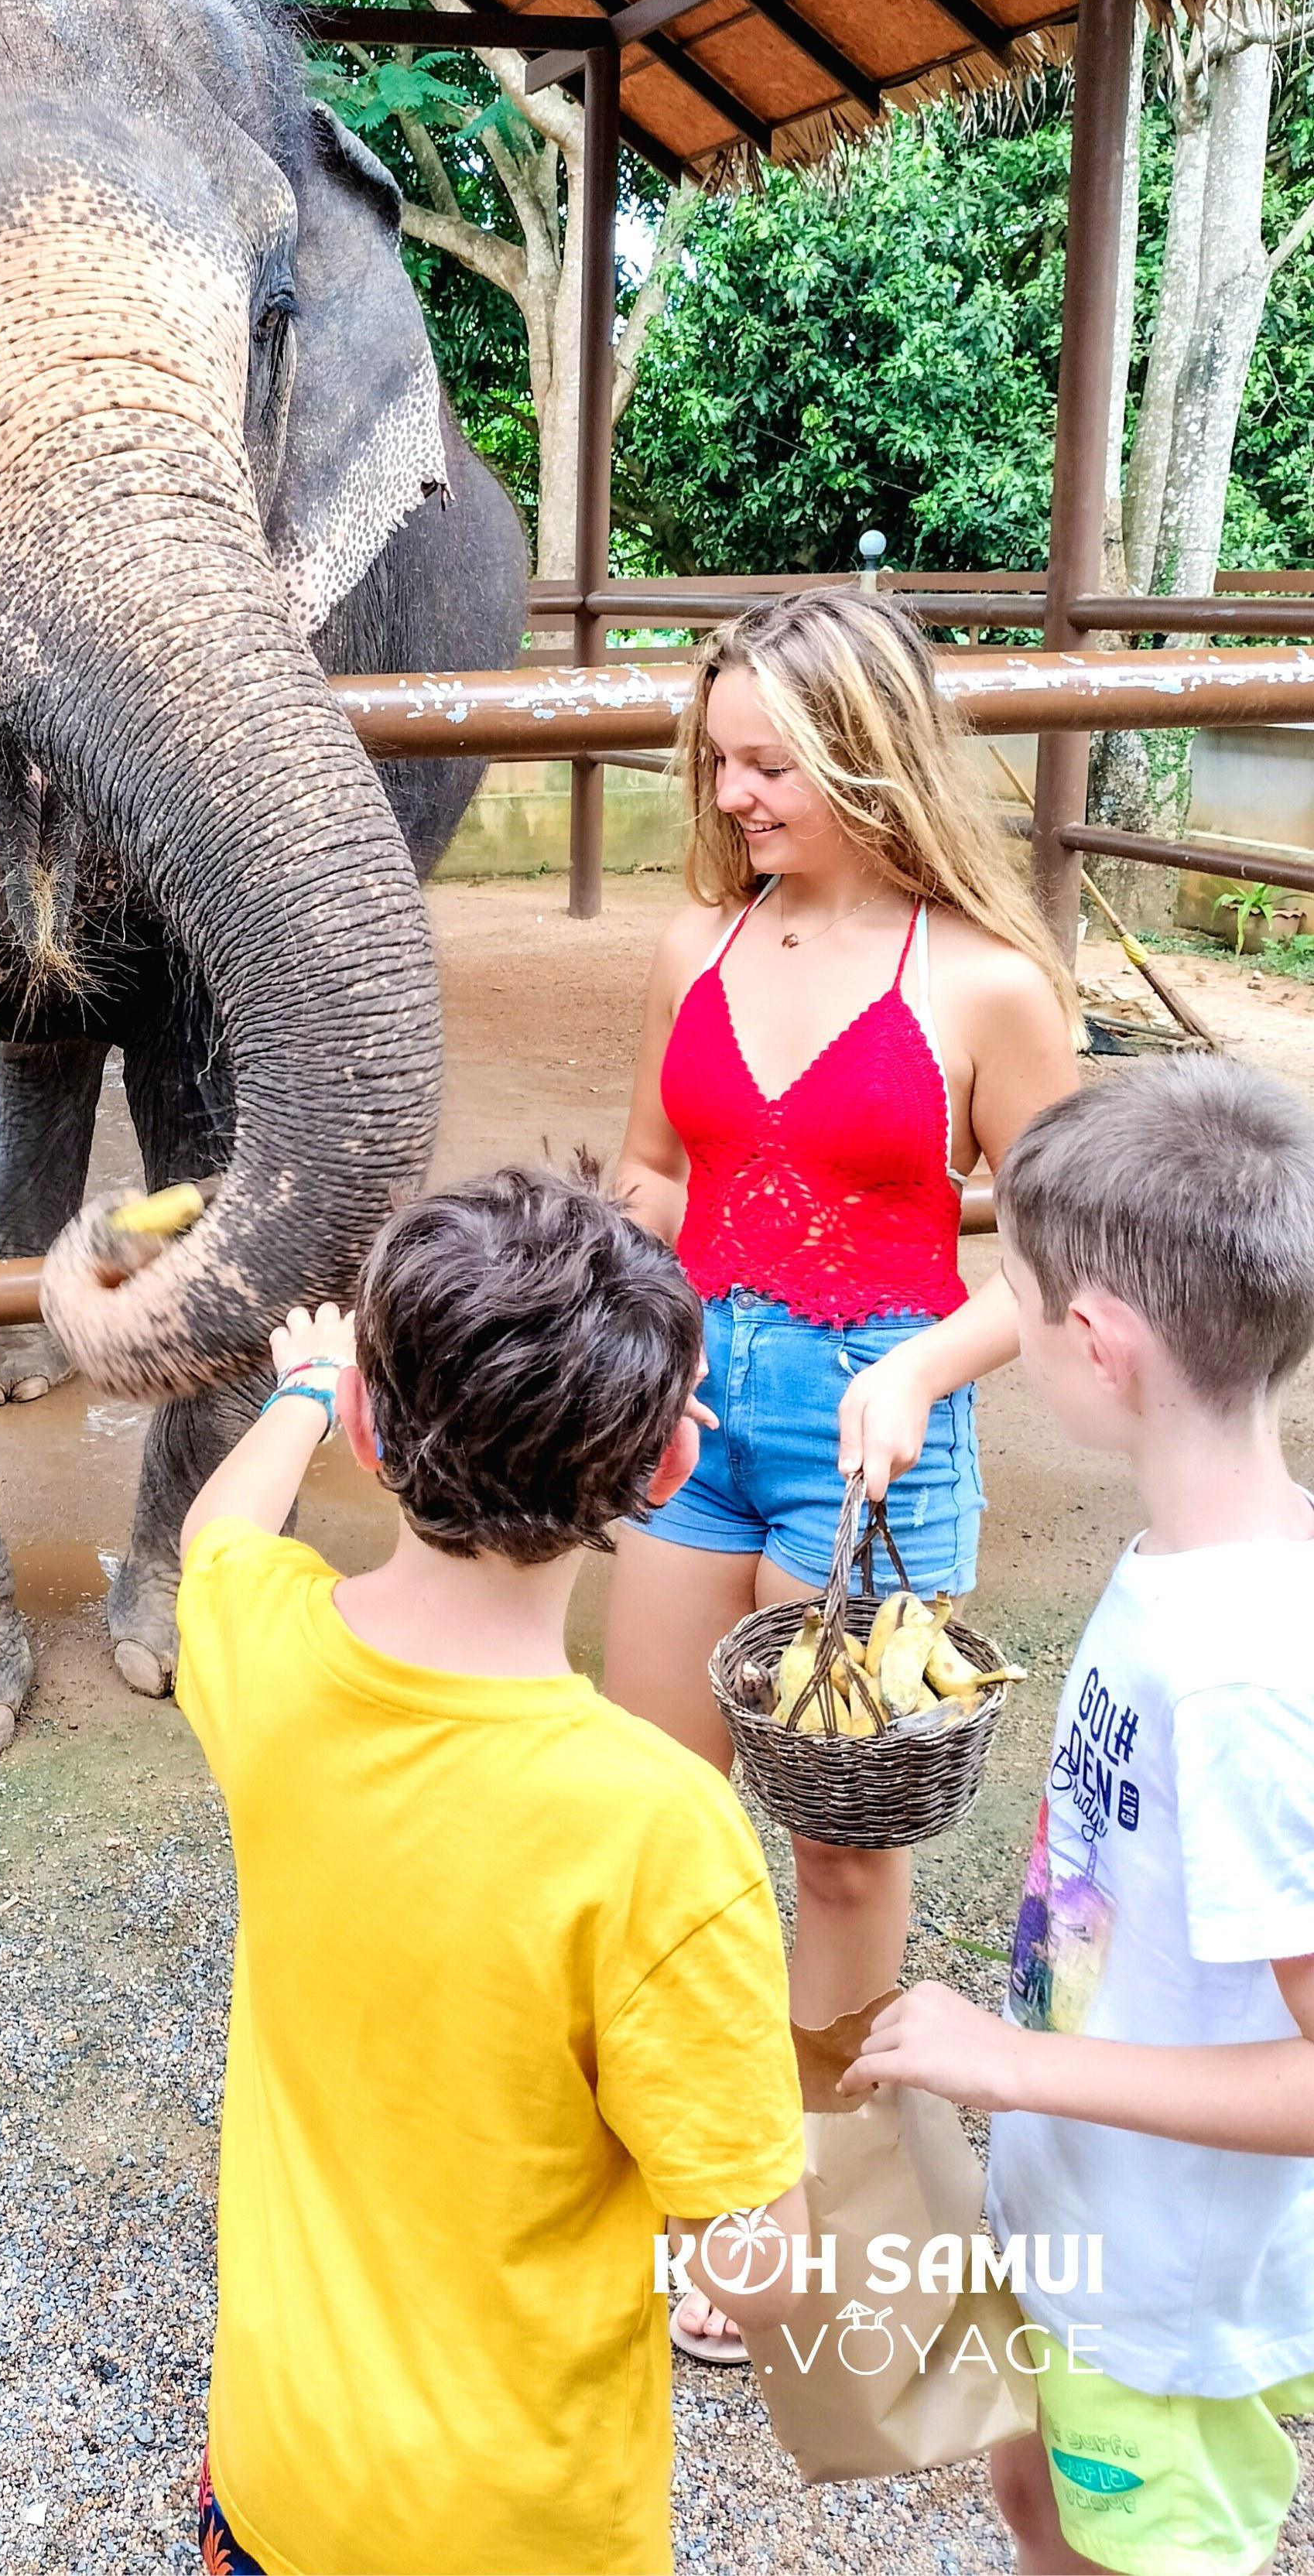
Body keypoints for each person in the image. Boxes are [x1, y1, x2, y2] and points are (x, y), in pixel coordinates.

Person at [172, 1168, 809, 2576]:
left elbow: (215, 1539)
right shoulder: (657, 1830)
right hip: (517, 2528)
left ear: (363, 1431)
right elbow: (750, 2270)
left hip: (279, 2471)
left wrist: (298, 1389)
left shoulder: (266, 1653)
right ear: (666, 1468)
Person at [607, 590, 1076, 2355]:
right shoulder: (693, 950)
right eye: (716, 758)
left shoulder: (988, 982)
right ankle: (692, 2159)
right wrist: (598, 1296)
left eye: (765, 761)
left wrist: (924, 1361)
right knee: (651, 1816)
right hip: (693, 1431)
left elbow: (1056, 1261)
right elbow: (658, 1176)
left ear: (866, 751)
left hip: (877, 1456)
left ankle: (809, 2194)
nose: (729, 793)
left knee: (841, 1855)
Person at [845, 1057, 1314, 2576]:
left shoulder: (1249, 1675)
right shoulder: (1195, 1553)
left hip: (1169, 2284)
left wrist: (1011, 2058)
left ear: (1097, 1346)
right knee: (1039, 2502)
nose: (1003, 1318)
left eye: (1017, 1297)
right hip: (1083, 2200)